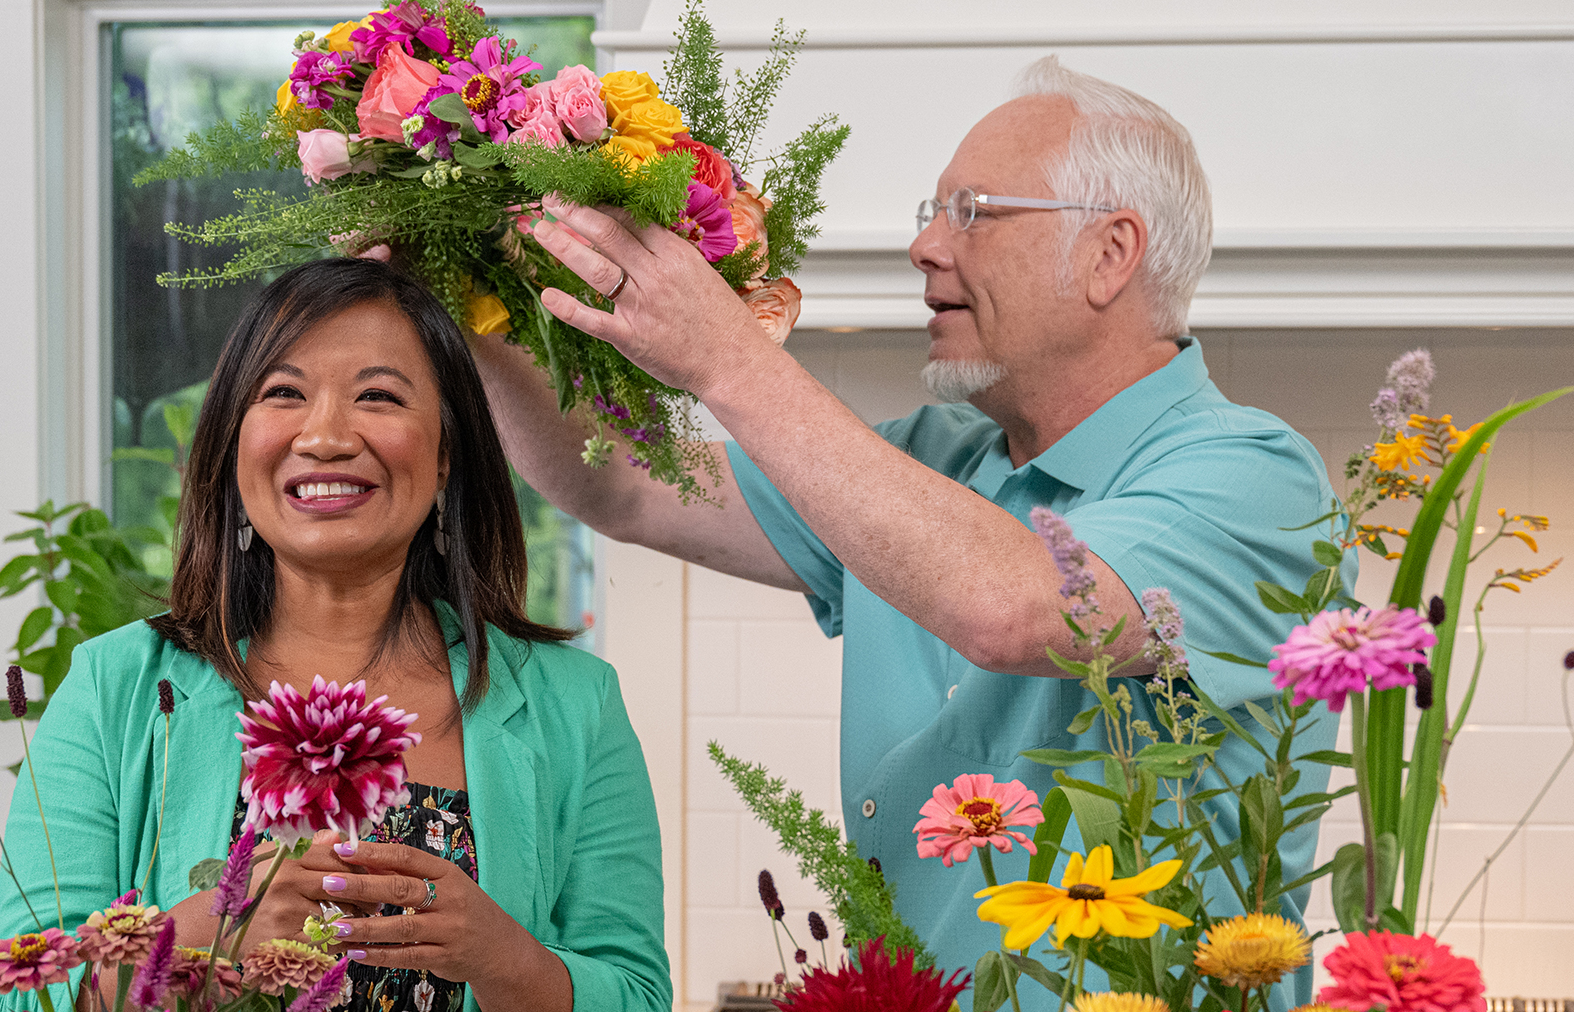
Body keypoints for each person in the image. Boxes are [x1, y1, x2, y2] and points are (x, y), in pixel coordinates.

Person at [471, 56, 1350, 1007]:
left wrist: (725, 355)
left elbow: (1018, 611)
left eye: (972, 210)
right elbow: (626, 489)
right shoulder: (933, 462)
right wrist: (456, 303)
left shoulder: (1254, 477)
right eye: (929, 212)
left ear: (1111, 253)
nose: (928, 246)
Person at [0, 258, 672, 1012]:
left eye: (378, 395)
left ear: (446, 455)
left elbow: (638, 995)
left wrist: (505, 957)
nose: (325, 436)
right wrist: (205, 936)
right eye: (283, 393)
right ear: (233, 444)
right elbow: (22, 998)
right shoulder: (114, 689)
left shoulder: (576, 707)